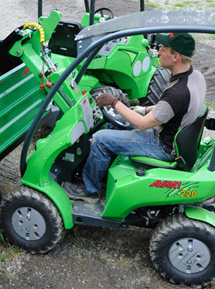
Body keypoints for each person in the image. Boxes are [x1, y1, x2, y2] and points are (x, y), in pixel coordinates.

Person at [62, 32, 206, 203]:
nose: (158, 52)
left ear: (175, 56)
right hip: (171, 134)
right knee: (117, 123)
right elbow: (169, 109)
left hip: (163, 146)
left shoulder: (178, 92)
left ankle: (89, 190)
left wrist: (115, 102)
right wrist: (142, 109)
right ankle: (102, 172)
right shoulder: (195, 76)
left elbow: (143, 125)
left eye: (163, 49)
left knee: (100, 139)